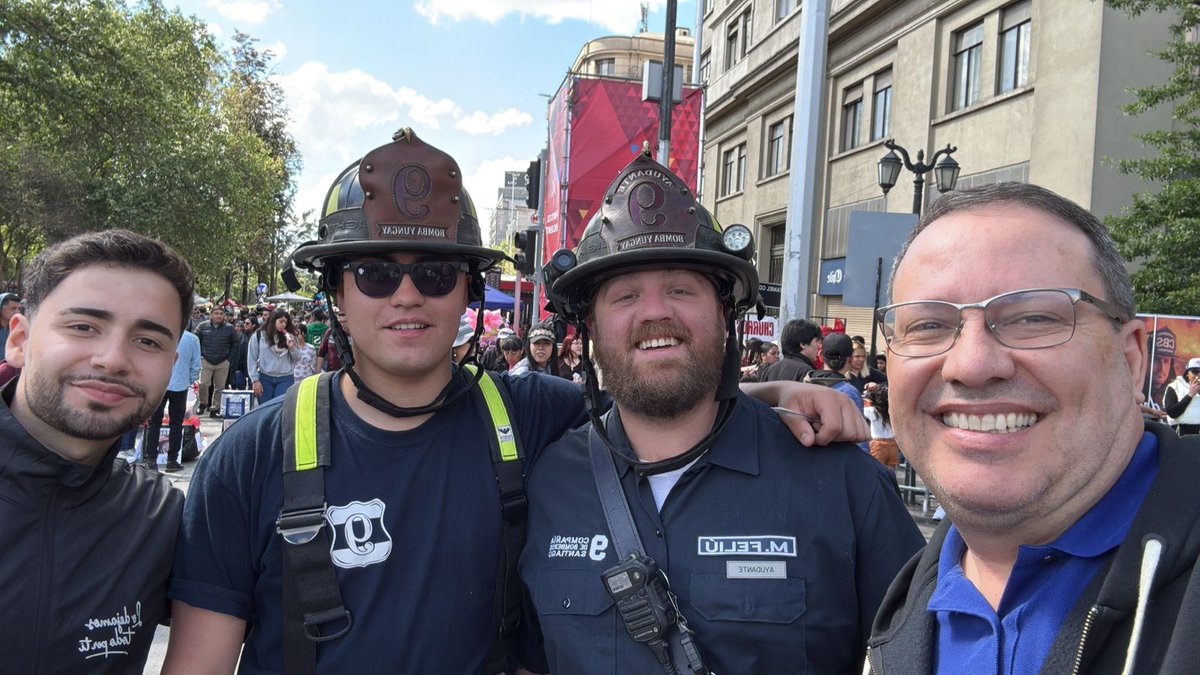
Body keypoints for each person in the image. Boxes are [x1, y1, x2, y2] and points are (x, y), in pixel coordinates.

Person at [164, 129, 866, 674]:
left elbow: (658, 401)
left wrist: (770, 395)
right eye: (375, 274)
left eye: (436, 274)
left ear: (470, 292)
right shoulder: (252, 458)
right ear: (336, 297)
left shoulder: (536, 419)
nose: (407, 295)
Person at [523, 148, 923, 674]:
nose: (655, 311)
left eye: (680, 288)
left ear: (725, 315)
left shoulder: (847, 487)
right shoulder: (545, 483)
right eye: (624, 296)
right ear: (591, 329)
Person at [867, 182, 1200, 674]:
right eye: (928, 326)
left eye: (1034, 317)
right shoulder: (906, 603)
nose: (972, 364)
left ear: (1131, 360)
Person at [0, 229, 191, 673]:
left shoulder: (162, 518)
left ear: (172, 364)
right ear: (19, 340)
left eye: (148, 341)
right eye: (83, 327)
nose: (112, 359)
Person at [142, 329, 202, 473]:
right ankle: (172, 459)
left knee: (154, 422)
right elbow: (196, 364)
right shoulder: (192, 339)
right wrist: (189, 379)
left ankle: (150, 459)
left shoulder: (159, 333)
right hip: (180, 384)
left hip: (159, 383)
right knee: (176, 423)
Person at [247, 307, 301, 403]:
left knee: (279, 406)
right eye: (281, 321)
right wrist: (255, 380)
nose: (283, 325)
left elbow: (298, 358)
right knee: (265, 407)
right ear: (273, 321)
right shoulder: (259, 335)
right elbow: (251, 358)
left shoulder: (291, 336)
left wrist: (292, 348)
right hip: (265, 377)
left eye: (286, 322)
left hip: (285, 377)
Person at [196, 306, 236, 418]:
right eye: (216, 313)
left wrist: (229, 360)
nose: (218, 316)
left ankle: (215, 408)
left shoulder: (230, 328)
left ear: (224, 315)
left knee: (220, 387)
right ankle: (203, 403)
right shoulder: (202, 326)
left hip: (223, 361)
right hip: (206, 360)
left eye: (221, 313)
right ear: (211, 315)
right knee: (203, 384)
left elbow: (235, 344)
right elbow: (195, 341)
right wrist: (200, 356)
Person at [758, 317, 823, 382]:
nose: (819, 346)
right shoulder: (807, 373)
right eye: (816, 341)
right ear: (803, 344)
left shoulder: (770, 370)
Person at [1164, 357, 1200, 435]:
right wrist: (1190, 395)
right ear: (1187, 373)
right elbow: (1172, 412)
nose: (1198, 375)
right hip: (1181, 431)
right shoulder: (1175, 386)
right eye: (1195, 372)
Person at [0, 291, 20, 361]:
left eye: (18, 308)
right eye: (13, 308)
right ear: (1, 309)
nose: (18, 312)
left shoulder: (17, 329)